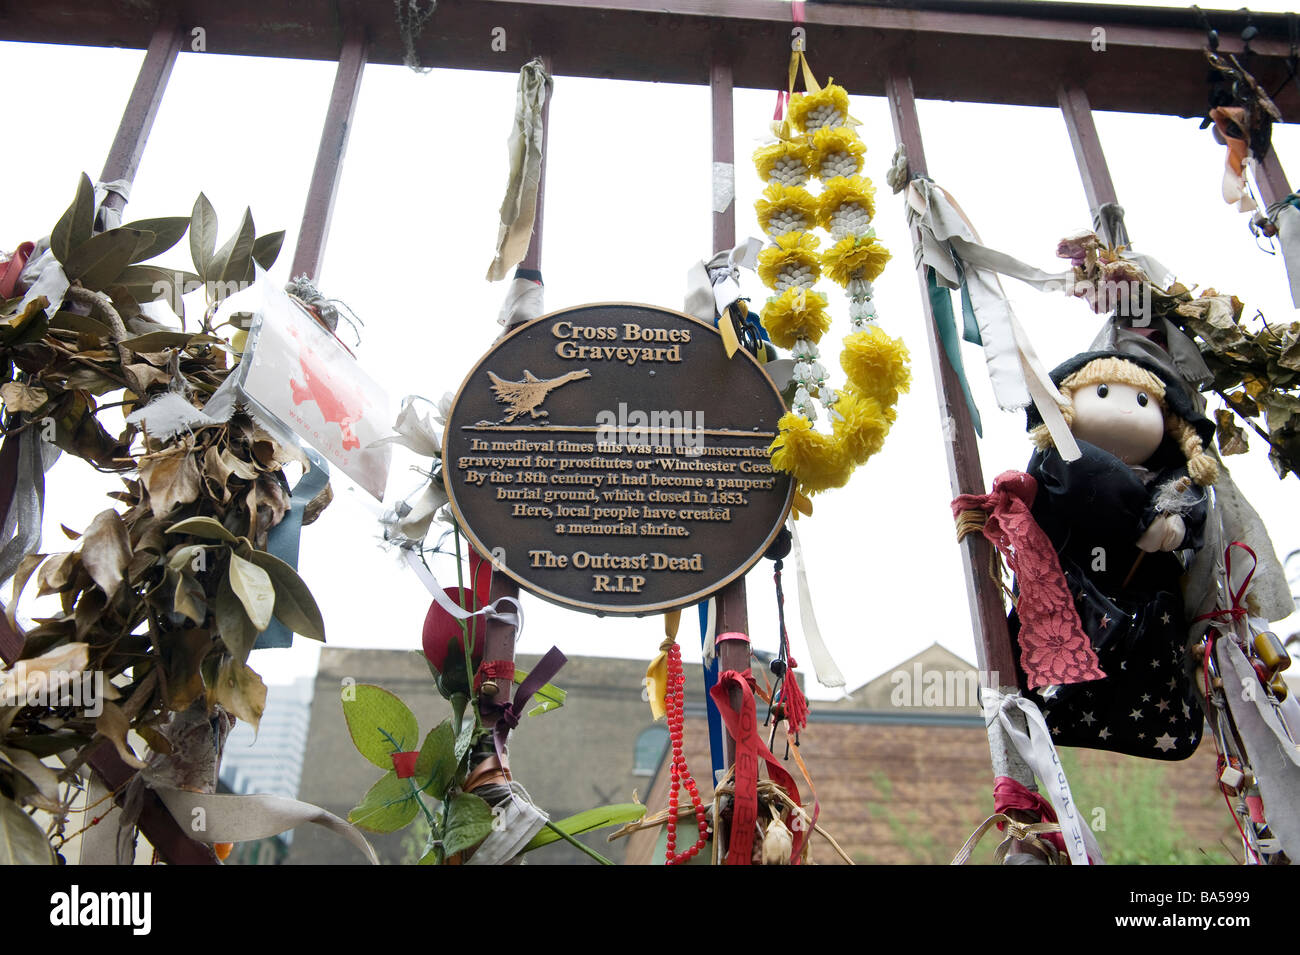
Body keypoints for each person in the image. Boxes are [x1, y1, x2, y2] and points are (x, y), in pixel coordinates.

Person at [1011, 350, 1219, 759]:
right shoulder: (1058, 463)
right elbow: (1066, 492)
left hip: (1146, 618)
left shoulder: (1179, 481)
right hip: (1073, 597)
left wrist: (1174, 521)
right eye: (1103, 392)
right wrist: (1144, 516)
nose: (1126, 409)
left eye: (1142, 401)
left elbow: (1193, 506)